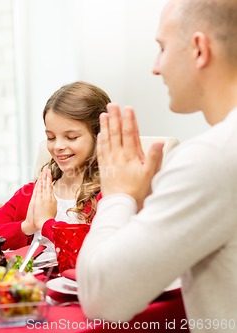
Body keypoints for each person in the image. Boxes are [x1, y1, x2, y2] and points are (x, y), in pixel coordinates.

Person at [77, 0, 237, 329]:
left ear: (198, 49)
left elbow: (102, 298)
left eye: (162, 48)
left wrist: (118, 194)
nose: (156, 67)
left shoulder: (213, 156)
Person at [0, 81, 108, 253]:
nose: (58, 146)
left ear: (99, 136)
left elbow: (94, 254)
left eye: (71, 137)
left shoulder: (110, 195)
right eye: (51, 137)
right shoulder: (35, 193)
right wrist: (26, 226)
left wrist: (47, 223)